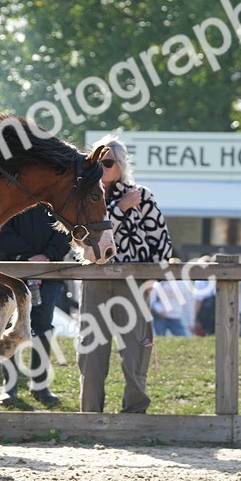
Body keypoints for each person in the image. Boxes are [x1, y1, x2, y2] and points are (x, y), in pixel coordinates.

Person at [77, 135, 174, 413]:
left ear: (121, 164)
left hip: (133, 281)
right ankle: (89, 415)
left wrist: (152, 279)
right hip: (95, 278)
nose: (103, 167)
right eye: (97, 162)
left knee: (135, 350)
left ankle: (135, 413)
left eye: (108, 162)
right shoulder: (81, 195)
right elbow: (85, 238)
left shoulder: (141, 195)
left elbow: (162, 244)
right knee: (91, 350)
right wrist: (119, 210)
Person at [0, 204, 72, 406]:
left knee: (43, 326)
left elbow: (66, 231)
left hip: (50, 271)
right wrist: (29, 258)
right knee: (9, 327)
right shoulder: (10, 194)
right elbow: (1, 229)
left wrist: (45, 257)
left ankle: (40, 386)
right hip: (12, 271)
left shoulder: (57, 196)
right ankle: (9, 387)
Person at [148, 259, 193, 337]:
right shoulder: (161, 282)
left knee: (182, 338)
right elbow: (152, 299)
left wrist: (191, 322)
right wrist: (160, 310)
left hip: (176, 316)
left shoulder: (183, 284)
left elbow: (188, 303)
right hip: (161, 317)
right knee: (159, 339)